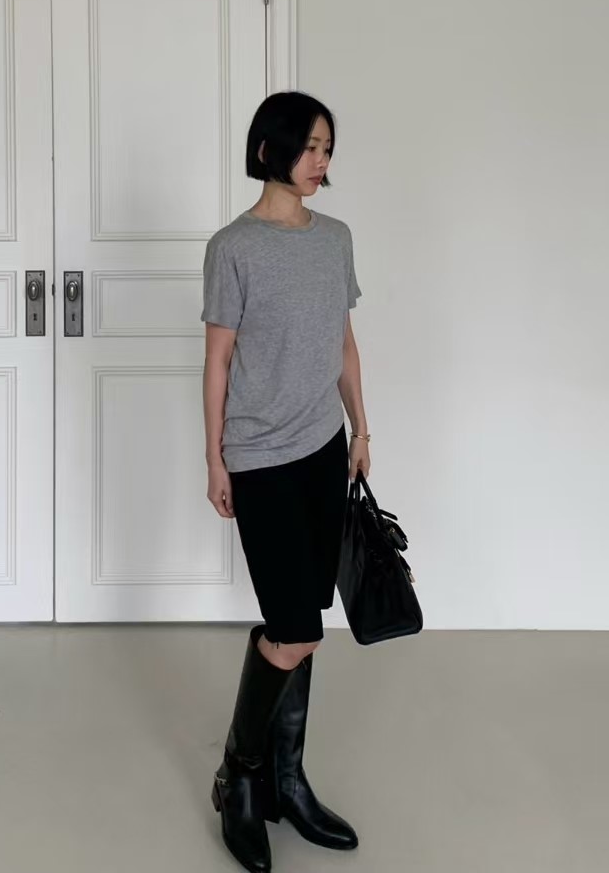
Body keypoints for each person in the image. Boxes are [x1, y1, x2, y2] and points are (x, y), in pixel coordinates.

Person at [200, 91, 370, 873]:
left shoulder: (334, 239)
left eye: (327, 148)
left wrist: (361, 428)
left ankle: (288, 781)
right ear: (269, 151)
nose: (320, 162)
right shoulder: (233, 247)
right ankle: (240, 775)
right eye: (308, 147)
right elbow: (219, 360)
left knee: (301, 619)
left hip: (322, 449)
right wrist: (215, 458)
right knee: (295, 628)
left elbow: (343, 342)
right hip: (259, 456)